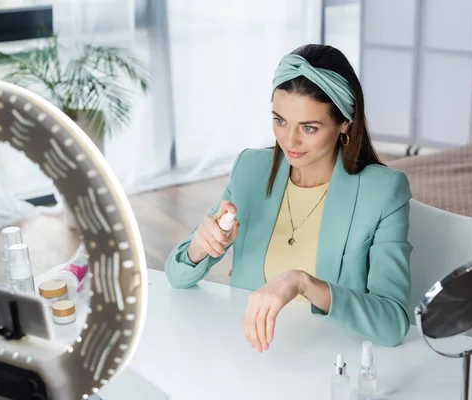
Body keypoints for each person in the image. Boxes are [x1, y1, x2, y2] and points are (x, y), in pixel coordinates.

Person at [165, 44, 412, 350]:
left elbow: (392, 324)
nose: (289, 140)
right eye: (280, 121)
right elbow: (176, 276)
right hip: (250, 354)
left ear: (344, 124)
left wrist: (305, 283)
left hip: (331, 364)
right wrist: (200, 247)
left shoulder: (383, 191)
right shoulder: (250, 169)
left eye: (309, 127)